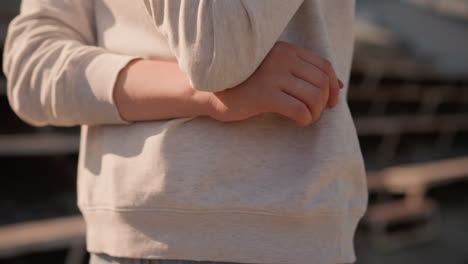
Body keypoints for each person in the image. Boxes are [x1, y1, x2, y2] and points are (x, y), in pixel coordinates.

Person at [3, 1, 368, 264]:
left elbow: (216, 48)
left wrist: (215, 88)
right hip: (129, 240)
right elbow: (31, 66)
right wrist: (201, 96)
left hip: (278, 235)